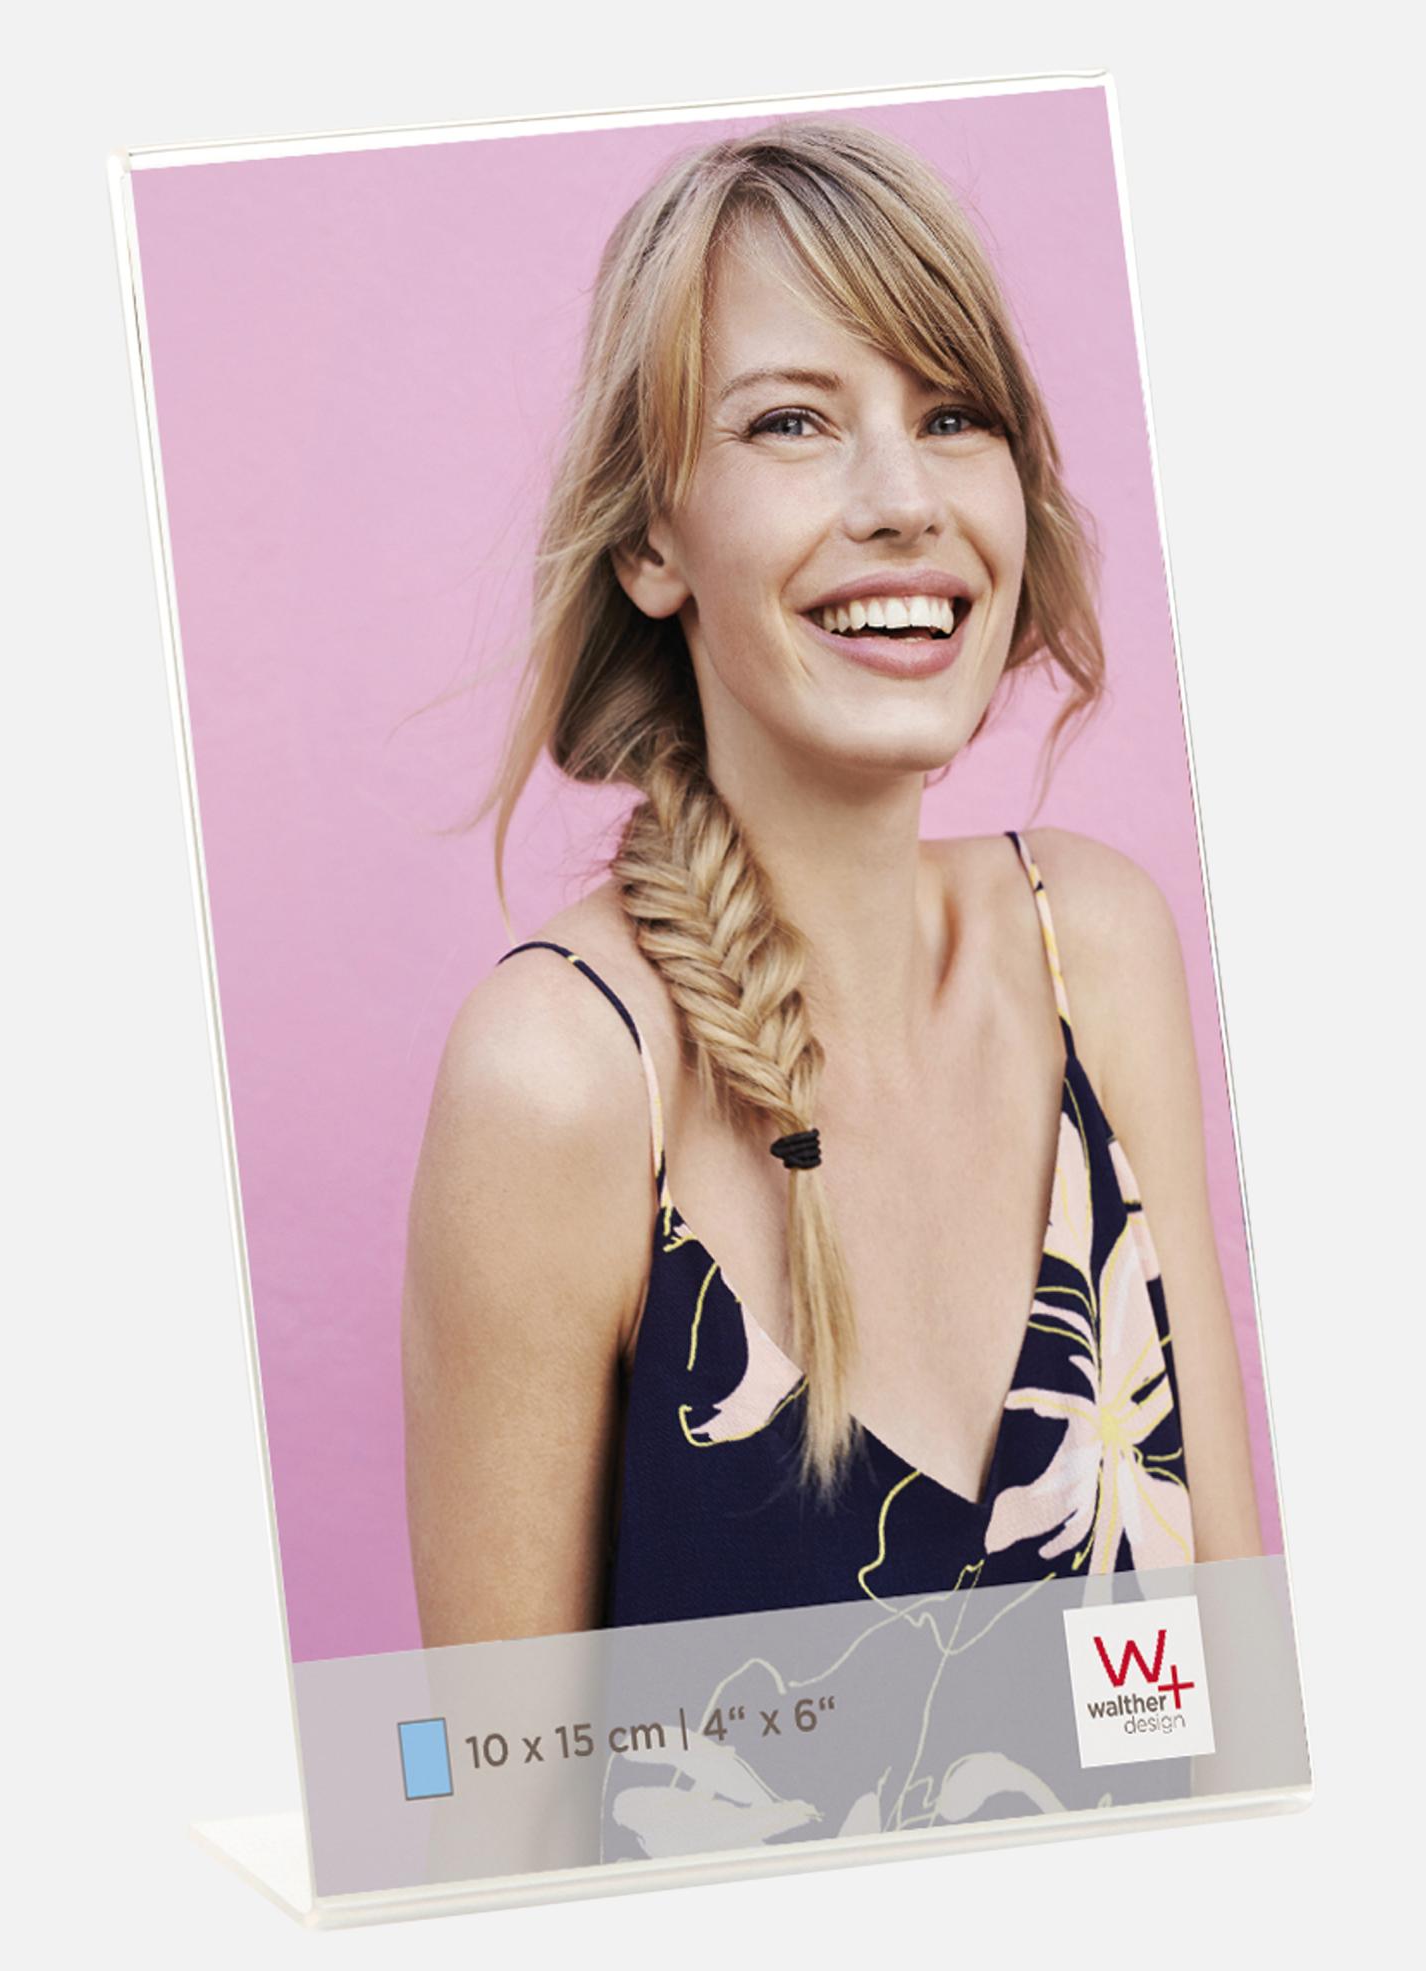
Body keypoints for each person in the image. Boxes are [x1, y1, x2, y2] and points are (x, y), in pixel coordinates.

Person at [401, 120, 1263, 1647]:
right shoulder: (563, 1080)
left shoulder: (1095, 948)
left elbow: (1241, 1696)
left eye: (953, 415)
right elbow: (492, 1795)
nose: (904, 499)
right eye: (792, 423)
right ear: (651, 539)